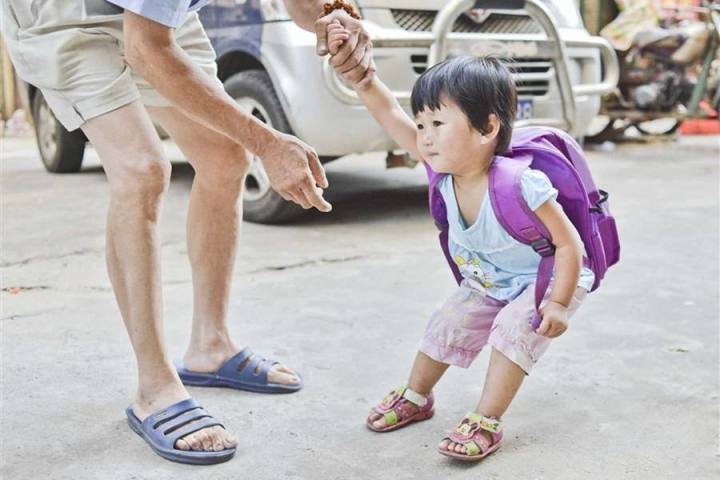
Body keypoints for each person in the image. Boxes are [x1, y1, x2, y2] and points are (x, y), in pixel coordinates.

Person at [0, 0, 372, 464]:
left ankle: (209, 347)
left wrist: (329, 19)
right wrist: (269, 142)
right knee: (142, 170)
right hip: (63, 12)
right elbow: (146, 50)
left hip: (155, 15)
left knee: (225, 156)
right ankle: (154, 388)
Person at [326, 23, 594, 461]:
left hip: (545, 278)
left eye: (437, 122)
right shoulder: (443, 173)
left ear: (487, 127)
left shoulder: (522, 183)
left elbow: (569, 246)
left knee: (513, 329)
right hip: (491, 280)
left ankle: (486, 419)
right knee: (448, 320)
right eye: (421, 123)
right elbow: (388, 114)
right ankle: (416, 395)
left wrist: (559, 303)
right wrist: (363, 80)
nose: (424, 135)